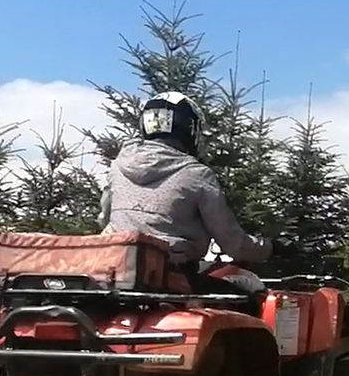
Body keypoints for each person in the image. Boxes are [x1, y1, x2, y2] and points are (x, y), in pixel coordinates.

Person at [97, 92, 271, 290]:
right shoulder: (197, 174)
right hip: (171, 280)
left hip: (114, 276)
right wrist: (269, 248)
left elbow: (104, 219)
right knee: (249, 293)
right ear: (189, 128)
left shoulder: (119, 165)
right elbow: (233, 243)